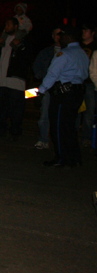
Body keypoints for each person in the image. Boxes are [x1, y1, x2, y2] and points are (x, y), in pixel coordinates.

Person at [39, 26, 89, 168]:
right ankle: (74, 157)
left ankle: (62, 158)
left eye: (62, 36)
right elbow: (85, 74)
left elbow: (52, 74)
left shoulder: (64, 54)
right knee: (70, 127)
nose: (60, 38)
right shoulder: (82, 53)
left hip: (63, 94)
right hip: (77, 92)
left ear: (69, 37)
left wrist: (41, 91)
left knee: (59, 127)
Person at [0, 18, 31, 139]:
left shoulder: (23, 40)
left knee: (16, 110)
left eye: (8, 24)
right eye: (5, 24)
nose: (6, 26)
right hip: (1, 81)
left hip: (16, 82)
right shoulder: (2, 40)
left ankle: (15, 132)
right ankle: (0, 130)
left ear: (15, 26)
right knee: (0, 109)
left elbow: (27, 58)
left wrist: (20, 46)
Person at [32, 28, 62, 149]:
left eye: (60, 34)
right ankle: (44, 139)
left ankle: (62, 142)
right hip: (48, 87)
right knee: (44, 115)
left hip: (63, 88)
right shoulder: (46, 52)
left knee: (63, 116)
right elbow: (36, 66)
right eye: (55, 34)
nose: (57, 36)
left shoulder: (69, 52)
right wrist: (43, 77)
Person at [77, 23, 96, 147]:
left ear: (92, 32)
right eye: (82, 30)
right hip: (77, 82)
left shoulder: (95, 47)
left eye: (86, 30)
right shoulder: (77, 46)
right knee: (76, 110)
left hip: (90, 83)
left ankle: (86, 137)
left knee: (89, 112)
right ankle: (72, 136)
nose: (84, 32)